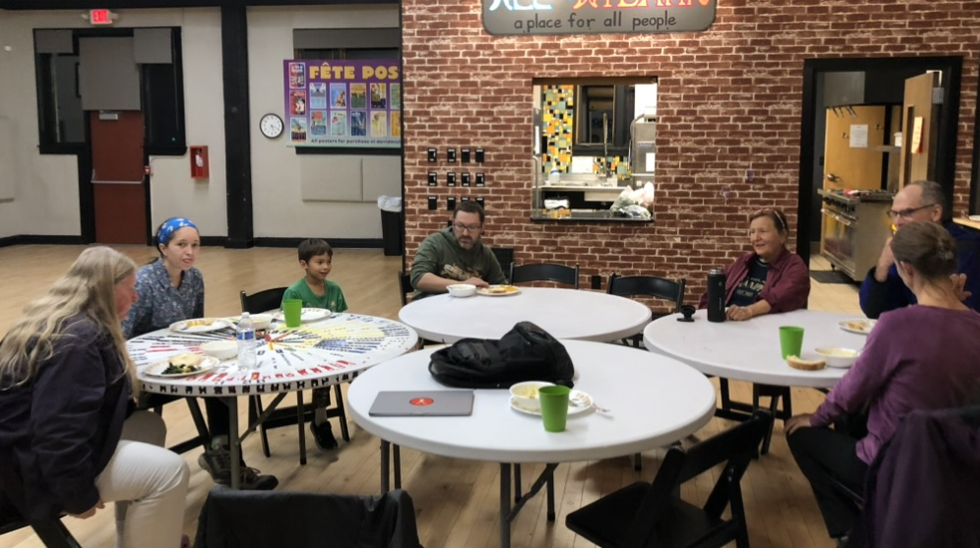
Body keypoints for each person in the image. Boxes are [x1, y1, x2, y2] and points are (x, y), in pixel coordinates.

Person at [786, 221, 980, 547]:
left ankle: (853, 529)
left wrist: (813, 418)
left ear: (904, 268)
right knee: (852, 418)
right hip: (957, 462)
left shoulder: (897, 325)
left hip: (891, 463)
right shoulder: (976, 324)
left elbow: (850, 392)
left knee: (800, 434)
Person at [0, 247, 189, 548]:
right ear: (106, 290)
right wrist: (77, 495)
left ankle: (144, 536)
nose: (136, 299)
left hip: (21, 455)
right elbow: (57, 432)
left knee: (149, 426)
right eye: (131, 290)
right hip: (22, 475)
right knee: (170, 472)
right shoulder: (79, 340)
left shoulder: (63, 320)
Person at [122, 217, 277, 490]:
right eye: (181, 245)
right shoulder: (144, 282)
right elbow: (123, 335)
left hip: (184, 362)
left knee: (221, 379)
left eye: (195, 245)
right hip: (149, 372)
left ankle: (223, 455)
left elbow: (197, 327)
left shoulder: (194, 278)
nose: (189, 252)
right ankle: (221, 460)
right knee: (213, 381)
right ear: (163, 248)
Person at [860, 180, 980, 318]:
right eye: (894, 214)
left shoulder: (966, 250)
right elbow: (874, 310)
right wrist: (883, 265)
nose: (897, 222)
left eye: (907, 212)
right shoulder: (908, 249)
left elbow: (952, 316)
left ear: (935, 213)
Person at [281, 238, 348, 450]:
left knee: (361, 364)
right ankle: (320, 420)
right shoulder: (294, 292)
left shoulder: (335, 289)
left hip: (331, 344)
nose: (326, 266)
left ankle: (364, 406)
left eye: (328, 261)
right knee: (325, 371)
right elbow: (287, 327)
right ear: (304, 264)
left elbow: (343, 320)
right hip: (303, 348)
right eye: (320, 262)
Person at [697, 207, 810, 320]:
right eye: (752, 232)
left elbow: (780, 297)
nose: (756, 238)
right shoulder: (744, 261)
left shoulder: (794, 266)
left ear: (782, 236)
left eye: (763, 231)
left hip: (767, 330)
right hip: (729, 326)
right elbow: (712, 293)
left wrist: (749, 311)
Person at [410, 202, 508, 299]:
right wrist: (462, 285)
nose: (465, 233)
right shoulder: (434, 243)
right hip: (430, 306)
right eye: (460, 226)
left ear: (482, 228)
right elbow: (418, 278)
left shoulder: (485, 253)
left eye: (472, 227)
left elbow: (501, 286)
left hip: (469, 309)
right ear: (453, 223)